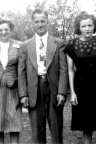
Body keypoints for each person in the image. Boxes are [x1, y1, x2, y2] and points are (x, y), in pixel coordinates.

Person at [18, 8, 68, 143]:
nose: (40, 24)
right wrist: (23, 94)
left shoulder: (58, 43)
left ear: (47, 22)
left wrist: (62, 92)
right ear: (32, 23)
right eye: (37, 21)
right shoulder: (25, 45)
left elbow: (63, 69)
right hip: (34, 90)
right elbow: (21, 72)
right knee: (37, 131)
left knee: (56, 129)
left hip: (53, 88)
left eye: (43, 21)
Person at [64, 12, 96, 144]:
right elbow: (70, 70)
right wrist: (72, 93)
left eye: (90, 25)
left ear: (94, 26)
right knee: (86, 128)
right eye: (83, 26)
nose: (87, 29)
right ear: (78, 27)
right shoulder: (71, 45)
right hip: (82, 89)